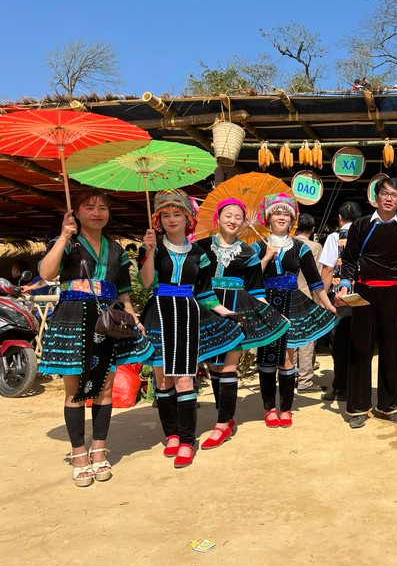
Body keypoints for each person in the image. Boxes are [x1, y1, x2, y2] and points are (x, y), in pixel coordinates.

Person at [39, 190, 152, 487]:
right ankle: (78, 453)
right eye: (89, 207)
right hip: (74, 318)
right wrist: (63, 236)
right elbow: (47, 272)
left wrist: (134, 318)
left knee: (105, 389)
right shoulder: (67, 242)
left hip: (108, 321)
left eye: (102, 207)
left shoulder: (115, 249)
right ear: (76, 212)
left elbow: (123, 292)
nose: (97, 212)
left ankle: (99, 449)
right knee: (74, 390)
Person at [139, 189, 244, 468]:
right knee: (163, 381)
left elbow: (206, 293)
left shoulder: (200, 253)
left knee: (184, 380)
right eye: (166, 215)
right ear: (158, 220)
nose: (172, 219)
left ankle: (187, 441)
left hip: (187, 315)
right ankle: (171, 435)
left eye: (178, 214)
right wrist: (148, 252)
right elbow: (146, 284)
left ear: (188, 219)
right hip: (158, 314)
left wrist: (227, 313)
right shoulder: (153, 247)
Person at [195, 198, 290, 449]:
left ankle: (222, 425)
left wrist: (272, 314)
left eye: (238, 217)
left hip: (236, 312)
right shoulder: (200, 247)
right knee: (214, 367)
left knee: (229, 366)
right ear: (218, 218)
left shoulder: (249, 253)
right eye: (228, 215)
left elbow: (256, 290)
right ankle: (225, 414)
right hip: (207, 309)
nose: (233, 220)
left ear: (244, 222)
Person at [335, 177, 397, 429]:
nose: (389, 198)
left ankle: (389, 405)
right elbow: (349, 261)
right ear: (376, 196)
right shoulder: (361, 225)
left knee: (392, 350)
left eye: (394, 195)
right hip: (364, 292)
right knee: (360, 349)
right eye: (385, 193)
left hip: (393, 292)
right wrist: (344, 285)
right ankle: (357, 407)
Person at [257, 194, 337, 428]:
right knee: (267, 358)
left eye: (286, 214)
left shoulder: (300, 247)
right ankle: (269, 408)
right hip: (266, 304)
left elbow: (314, 281)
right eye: (276, 213)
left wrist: (328, 305)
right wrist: (266, 258)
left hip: (292, 304)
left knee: (286, 357)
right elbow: (251, 279)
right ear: (268, 218)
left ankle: (286, 408)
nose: (281, 217)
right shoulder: (258, 246)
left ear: (292, 219)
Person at [319, 201, 362, 402]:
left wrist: (322, 299)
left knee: (339, 343)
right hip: (362, 297)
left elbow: (328, 270)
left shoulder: (334, 237)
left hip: (340, 298)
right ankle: (358, 387)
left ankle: (341, 388)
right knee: (360, 342)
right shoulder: (365, 235)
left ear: (339, 218)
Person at [293, 213, 324, 392]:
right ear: (312, 229)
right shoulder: (315, 246)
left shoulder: (288, 244)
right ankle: (305, 380)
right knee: (306, 339)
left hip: (287, 296)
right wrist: (320, 300)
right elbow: (316, 275)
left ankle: (291, 374)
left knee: (291, 338)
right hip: (306, 296)